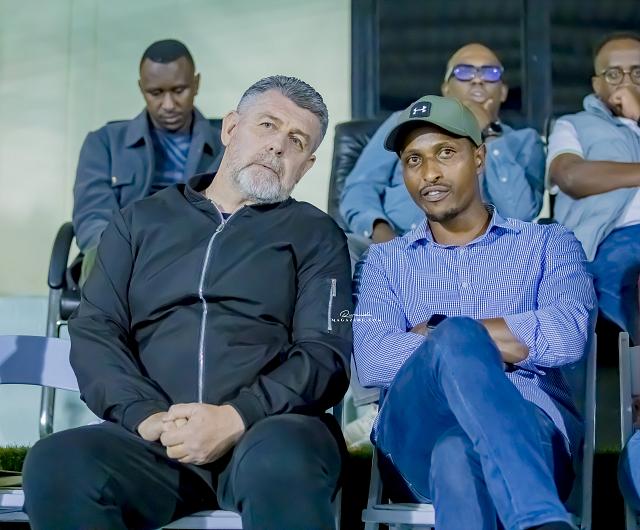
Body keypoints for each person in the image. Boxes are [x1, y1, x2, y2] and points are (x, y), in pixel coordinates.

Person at [22, 75, 352, 530]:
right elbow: (96, 329)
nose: (278, 145)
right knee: (58, 461)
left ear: (307, 164)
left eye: (296, 140)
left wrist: (237, 416)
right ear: (231, 128)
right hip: (155, 440)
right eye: (267, 125)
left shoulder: (316, 235)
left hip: (269, 432)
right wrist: (145, 415)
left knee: (282, 462)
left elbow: (324, 352)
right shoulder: (139, 222)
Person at [352, 95, 596, 530]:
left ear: (479, 157)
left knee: (457, 452)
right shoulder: (383, 261)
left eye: (446, 153)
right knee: (457, 339)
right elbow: (373, 358)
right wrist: (486, 341)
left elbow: (566, 334)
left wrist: (440, 335)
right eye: (413, 160)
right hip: (414, 439)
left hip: (532, 431)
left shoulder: (548, 244)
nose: (429, 173)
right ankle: (540, 518)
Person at [340, 43, 545, 260]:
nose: (477, 80)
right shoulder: (404, 124)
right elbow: (359, 189)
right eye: (464, 72)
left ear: (503, 92)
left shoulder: (525, 141)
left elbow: (519, 214)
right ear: (446, 88)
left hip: (487, 252)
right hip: (397, 238)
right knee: (342, 249)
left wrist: (489, 133)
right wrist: (387, 240)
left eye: (490, 73)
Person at [73, 39, 223, 279]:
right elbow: (92, 215)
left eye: (179, 91)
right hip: (121, 254)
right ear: (141, 88)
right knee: (99, 259)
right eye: (156, 93)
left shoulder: (228, 143)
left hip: (201, 256)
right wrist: (119, 252)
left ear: (196, 84)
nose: (168, 105)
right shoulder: (104, 142)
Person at [548, 31, 640, 344]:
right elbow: (571, 177)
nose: (626, 83)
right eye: (614, 74)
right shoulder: (573, 124)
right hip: (609, 239)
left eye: (637, 73)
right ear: (596, 84)